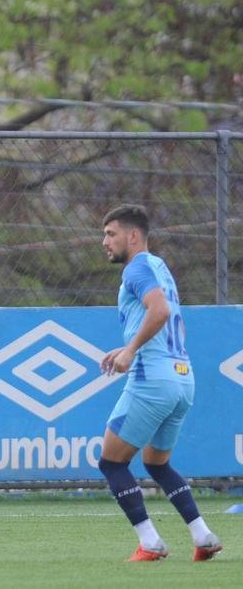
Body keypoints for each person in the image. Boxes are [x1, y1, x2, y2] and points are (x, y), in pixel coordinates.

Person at [97, 204, 222, 562]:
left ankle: (149, 542)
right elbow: (160, 318)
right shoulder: (158, 267)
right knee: (156, 463)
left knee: (112, 463)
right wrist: (127, 346)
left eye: (110, 234)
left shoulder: (136, 268)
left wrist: (130, 351)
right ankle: (203, 536)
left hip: (153, 379)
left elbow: (160, 312)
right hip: (182, 378)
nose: (104, 242)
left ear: (132, 235)